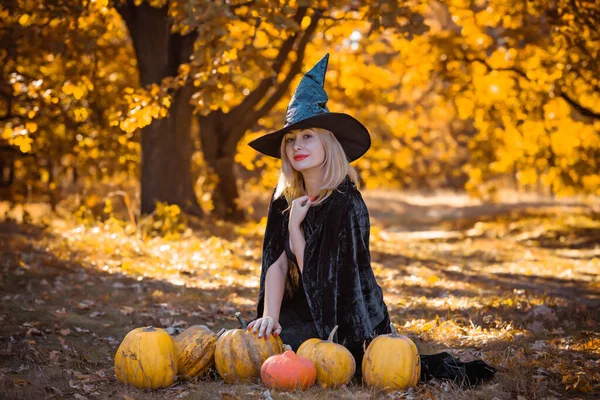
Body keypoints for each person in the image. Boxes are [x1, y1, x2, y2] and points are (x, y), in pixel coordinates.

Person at [247, 53, 496, 386]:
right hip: (304, 306)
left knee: (319, 358)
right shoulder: (284, 198)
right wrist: (270, 317)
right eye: (290, 139)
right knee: (258, 345)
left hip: (348, 314)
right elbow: (276, 265)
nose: (296, 146)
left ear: (328, 143)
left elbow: (325, 282)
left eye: (308, 136)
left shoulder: (345, 203)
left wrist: (296, 228)